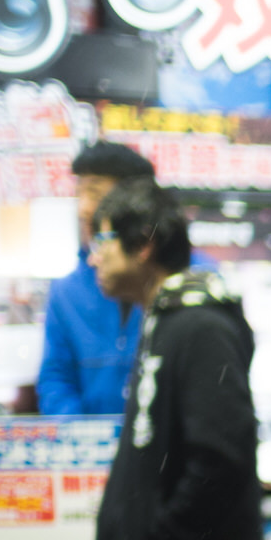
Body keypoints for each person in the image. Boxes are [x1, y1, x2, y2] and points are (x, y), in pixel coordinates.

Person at [89, 181, 267, 540]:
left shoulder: (200, 327)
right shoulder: (164, 320)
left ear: (143, 244)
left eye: (102, 241)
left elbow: (221, 458)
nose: (93, 258)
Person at [38, 142, 158, 416]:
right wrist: (82, 433)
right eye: (78, 194)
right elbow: (55, 380)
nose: (83, 208)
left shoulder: (185, 282)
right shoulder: (66, 291)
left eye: (94, 193)